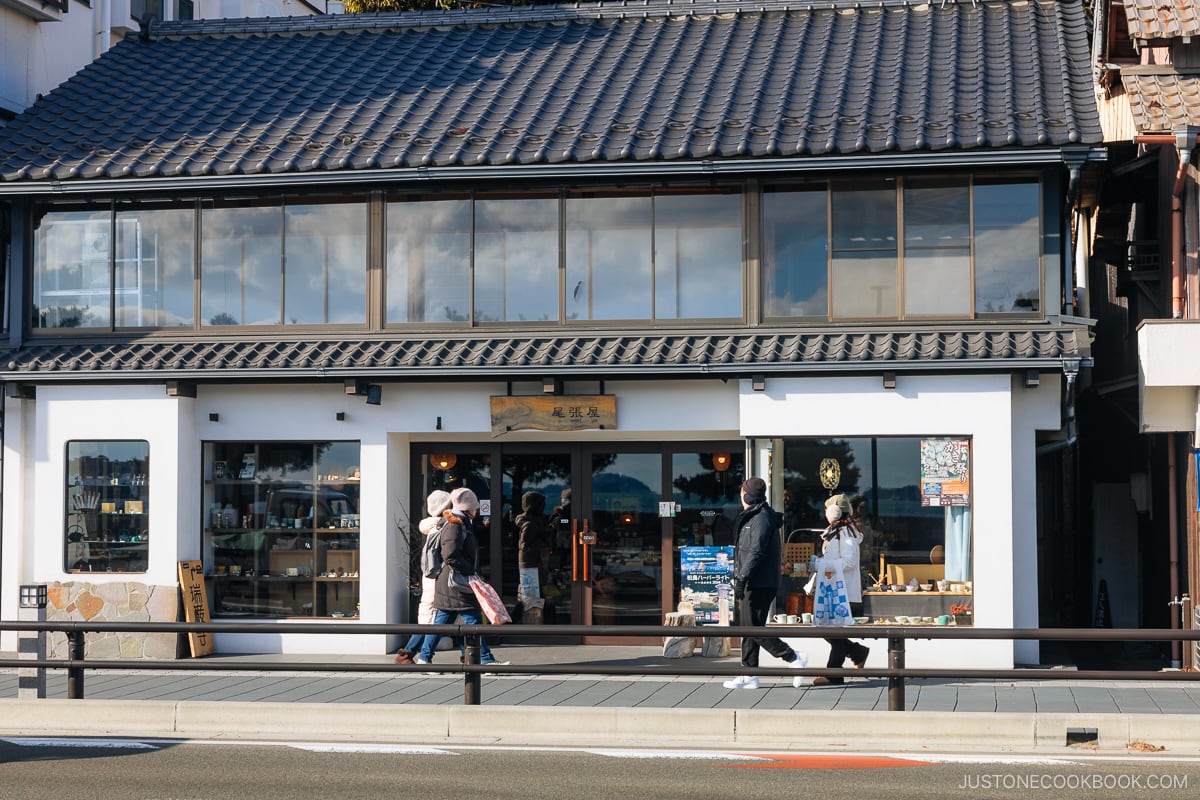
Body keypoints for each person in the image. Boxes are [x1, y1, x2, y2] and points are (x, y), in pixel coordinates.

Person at [723, 476, 808, 690]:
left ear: (748, 495)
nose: (740, 495)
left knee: (753, 628)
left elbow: (756, 552)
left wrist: (742, 578)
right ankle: (749, 674)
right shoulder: (754, 515)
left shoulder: (761, 518)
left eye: (742, 492)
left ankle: (793, 657)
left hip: (759, 581)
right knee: (747, 627)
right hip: (754, 579)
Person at [415, 487, 508, 668]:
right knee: (473, 620)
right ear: (468, 507)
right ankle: (486, 659)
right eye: (475, 507)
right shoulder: (455, 524)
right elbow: (450, 554)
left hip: (450, 582)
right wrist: (470, 571)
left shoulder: (458, 522)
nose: (477, 511)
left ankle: (424, 659)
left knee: (442, 622)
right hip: (456, 582)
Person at [810, 493, 869, 686]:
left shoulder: (845, 532)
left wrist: (822, 565)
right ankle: (857, 652)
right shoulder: (838, 530)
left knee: (833, 632)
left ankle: (833, 674)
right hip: (833, 588)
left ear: (834, 512)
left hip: (841, 590)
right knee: (830, 630)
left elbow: (849, 562)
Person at [394, 489, 452, 665]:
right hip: (438, 579)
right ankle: (409, 654)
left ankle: (411, 654)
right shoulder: (442, 528)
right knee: (437, 618)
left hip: (431, 577)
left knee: (443, 617)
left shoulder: (433, 528)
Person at [515, 490, 552, 617]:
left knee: (535, 598)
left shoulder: (534, 522)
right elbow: (525, 548)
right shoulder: (531, 525)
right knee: (532, 599)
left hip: (532, 567)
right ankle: (511, 622)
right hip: (532, 567)